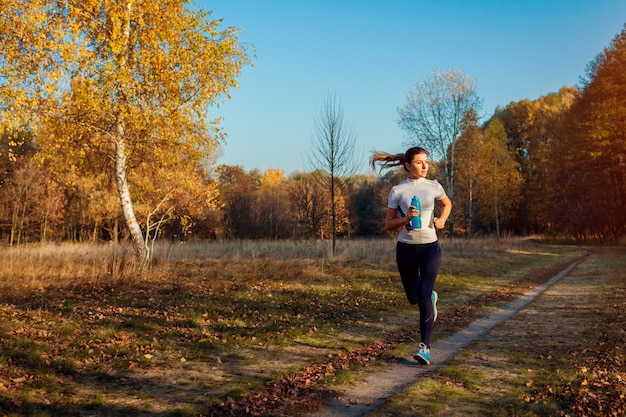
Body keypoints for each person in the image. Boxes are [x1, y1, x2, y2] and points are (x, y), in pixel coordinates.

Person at [370, 146, 452, 365]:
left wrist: (442, 220)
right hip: (406, 249)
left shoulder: (434, 186)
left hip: (430, 248)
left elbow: (447, 204)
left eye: (426, 161)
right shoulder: (398, 191)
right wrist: (406, 219)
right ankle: (431, 298)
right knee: (413, 297)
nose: (424, 165)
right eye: (419, 162)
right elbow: (388, 224)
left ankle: (425, 348)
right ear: (408, 165)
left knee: (423, 295)